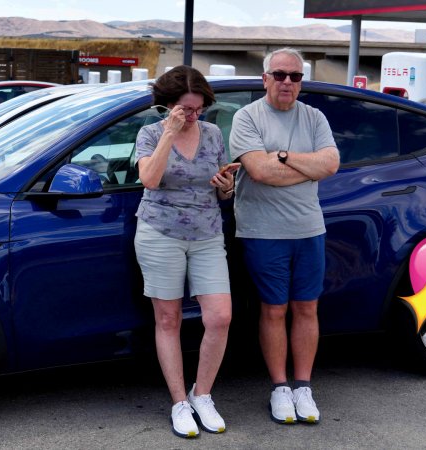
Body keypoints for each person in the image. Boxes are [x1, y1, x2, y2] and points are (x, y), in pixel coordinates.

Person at [228, 48, 339, 425]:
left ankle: (303, 386)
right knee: (273, 310)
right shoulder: (247, 117)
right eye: (279, 75)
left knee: (307, 308)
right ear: (264, 79)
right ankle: (279, 387)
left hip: (309, 228)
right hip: (263, 231)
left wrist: (283, 156)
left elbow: (331, 163)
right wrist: (308, 167)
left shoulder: (314, 117)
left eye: (295, 76)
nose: (287, 82)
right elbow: (258, 170)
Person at [133, 65, 235, 438]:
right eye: (186, 110)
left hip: (207, 233)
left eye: (199, 109)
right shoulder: (149, 133)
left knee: (220, 316)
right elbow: (150, 179)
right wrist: (169, 134)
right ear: (167, 106)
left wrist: (227, 186)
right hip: (161, 232)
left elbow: (222, 191)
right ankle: (179, 401)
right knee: (168, 320)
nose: (195, 116)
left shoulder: (212, 133)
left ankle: (201, 394)